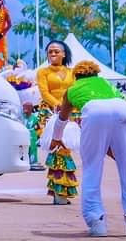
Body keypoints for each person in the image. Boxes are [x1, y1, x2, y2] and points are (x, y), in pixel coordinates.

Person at [49, 60, 126, 237]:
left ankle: (97, 222)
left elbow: (62, 119)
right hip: (122, 109)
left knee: (92, 168)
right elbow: (113, 117)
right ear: (96, 74)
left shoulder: (71, 90)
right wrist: (116, 151)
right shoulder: (107, 84)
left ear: (76, 76)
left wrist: (56, 139)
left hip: (93, 112)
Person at [37, 39, 78, 205]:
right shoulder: (43, 72)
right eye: (50, 52)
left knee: (66, 149)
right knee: (57, 149)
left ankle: (60, 190)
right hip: (50, 113)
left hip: (71, 113)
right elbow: (44, 92)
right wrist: (58, 106)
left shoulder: (73, 72)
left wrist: (69, 108)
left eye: (56, 51)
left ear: (64, 54)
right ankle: (60, 192)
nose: (53, 54)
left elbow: (75, 90)